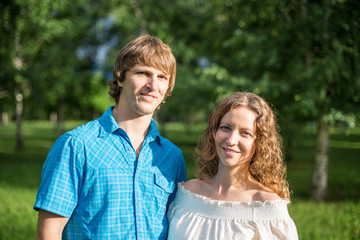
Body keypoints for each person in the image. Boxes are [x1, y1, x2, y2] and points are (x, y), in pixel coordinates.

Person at [34, 35, 187, 240]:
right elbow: (49, 232)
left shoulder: (172, 156)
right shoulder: (76, 145)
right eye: (143, 73)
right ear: (120, 77)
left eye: (162, 77)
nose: (153, 85)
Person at [167, 92, 298, 240]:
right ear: (214, 132)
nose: (231, 140)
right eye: (226, 128)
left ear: (260, 143)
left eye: (245, 133)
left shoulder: (267, 209)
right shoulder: (186, 195)